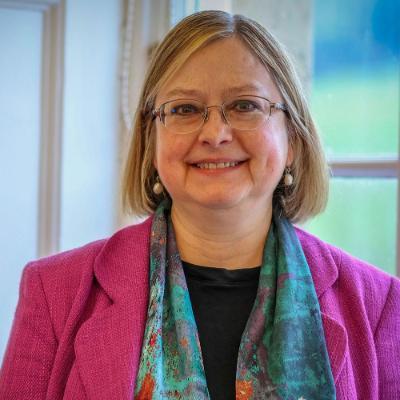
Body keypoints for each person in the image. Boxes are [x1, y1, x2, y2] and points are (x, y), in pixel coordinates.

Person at [1, 10, 399, 400]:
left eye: (245, 105)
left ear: (292, 139)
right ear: (151, 139)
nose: (215, 133)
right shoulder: (54, 293)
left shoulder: (381, 305)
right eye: (184, 109)